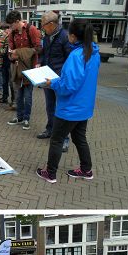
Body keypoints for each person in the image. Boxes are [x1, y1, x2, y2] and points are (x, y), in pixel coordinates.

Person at [36, 20, 100, 183]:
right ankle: (86, 170)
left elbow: (68, 85)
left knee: (57, 139)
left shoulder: (76, 56)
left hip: (70, 108)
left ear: (72, 36)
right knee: (80, 139)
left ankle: (50, 173)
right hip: (84, 107)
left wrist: (52, 83)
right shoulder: (93, 52)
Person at [37, 11, 72, 153]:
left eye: (43, 25)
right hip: (47, 77)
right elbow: (44, 54)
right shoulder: (47, 36)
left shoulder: (65, 37)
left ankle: (64, 138)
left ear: (51, 24)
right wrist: (40, 63)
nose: (42, 28)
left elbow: (70, 59)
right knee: (50, 106)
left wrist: (62, 76)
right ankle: (50, 129)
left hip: (59, 78)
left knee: (61, 108)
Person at [5, 11, 42, 130]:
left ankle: (26, 118)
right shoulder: (12, 33)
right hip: (17, 67)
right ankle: (19, 117)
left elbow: (39, 48)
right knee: (18, 94)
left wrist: (19, 52)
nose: (10, 28)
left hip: (30, 67)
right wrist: (11, 55)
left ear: (17, 22)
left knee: (28, 95)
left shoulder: (32, 30)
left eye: (11, 25)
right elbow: (10, 50)